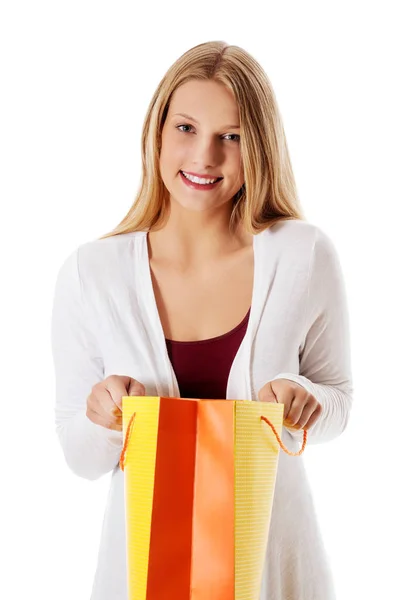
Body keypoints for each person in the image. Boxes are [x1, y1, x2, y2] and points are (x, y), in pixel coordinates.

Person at [50, 40, 353, 600]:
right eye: (186, 128)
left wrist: (305, 398)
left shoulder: (303, 255)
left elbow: (338, 404)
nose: (205, 158)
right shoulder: (92, 273)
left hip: (273, 568)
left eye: (230, 137)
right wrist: (101, 416)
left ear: (258, 146)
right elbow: (79, 455)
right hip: (142, 572)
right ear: (157, 132)